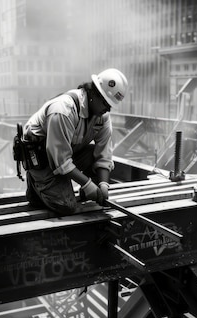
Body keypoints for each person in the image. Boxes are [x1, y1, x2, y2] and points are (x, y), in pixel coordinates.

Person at [20, 68, 128, 215]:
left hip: (64, 154)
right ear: (94, 93)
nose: (108, 108)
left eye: (111, 105)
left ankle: (79, 191)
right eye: (105, 102)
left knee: (93, 155)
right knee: (66, 206)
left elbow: (104, 156)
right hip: (43, 160)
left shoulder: (102, 116)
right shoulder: (63, 110)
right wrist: (88, 184)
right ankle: (36, 186)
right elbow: (61, 162)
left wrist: (103, 185)